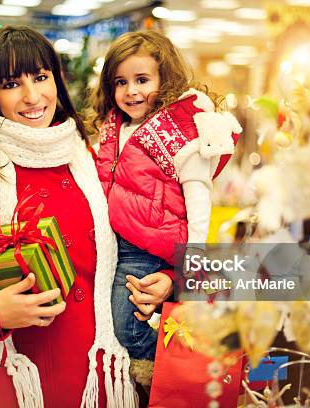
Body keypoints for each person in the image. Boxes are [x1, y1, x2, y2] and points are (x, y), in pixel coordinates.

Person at [0, 26, 136, 408]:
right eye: (11, 84)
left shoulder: (91, 152)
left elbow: (136, 241)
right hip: (28, 381)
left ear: (57, 80)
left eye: (40, 77)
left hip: (108, 374)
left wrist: (165, 280)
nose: (33, 96)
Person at [88, 30, 242, 381]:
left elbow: (199, 199)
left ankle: (157, 372)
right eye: (121, 82)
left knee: (127, 323)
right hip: (114, 245)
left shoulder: (181, 134)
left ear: (165, 79)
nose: (131, 91)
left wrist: (192, 264)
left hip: (147, 249)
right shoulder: (113, 129)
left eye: (142, 79)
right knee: (112, 321)